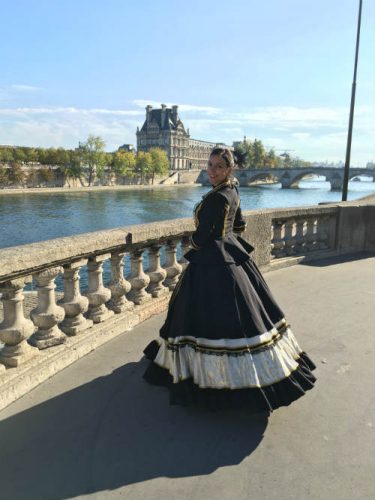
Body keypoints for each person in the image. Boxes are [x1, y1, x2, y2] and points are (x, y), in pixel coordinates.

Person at [143, 147, 316, 411]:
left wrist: (196, 243)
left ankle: (206, 377)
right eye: (210, 165)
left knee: (199, 316)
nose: (212, 171)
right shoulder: (233, 190)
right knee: (244, 318)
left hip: (211, 263)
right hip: (231, 256)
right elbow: (239, 226)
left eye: (218, 167)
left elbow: (202, 237)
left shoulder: (216, 199)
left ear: (228, 169)